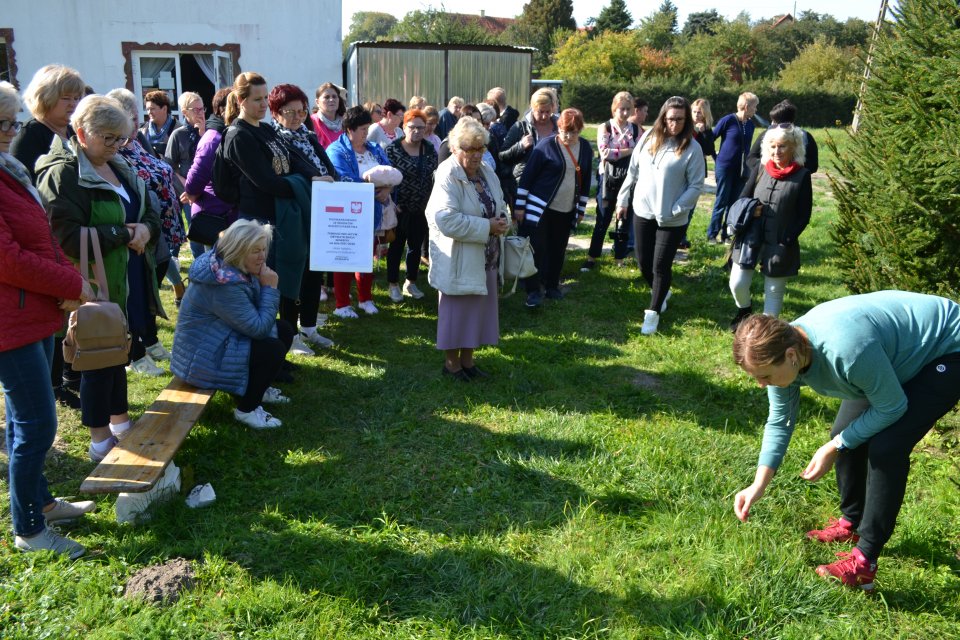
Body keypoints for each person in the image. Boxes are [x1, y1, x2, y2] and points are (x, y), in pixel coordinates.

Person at [732, 292, 960, 591]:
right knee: (845, 433)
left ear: (790, 355)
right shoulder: (786, 354)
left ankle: (865, 563)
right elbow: (780, 420)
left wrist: (836, 446)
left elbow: (892, 407)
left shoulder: (846, 351)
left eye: (764, 376)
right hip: (888, 356)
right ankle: (851, 523)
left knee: (886, 447)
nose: (761, 384)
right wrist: (758, 484)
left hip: (946, 347)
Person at [1, 81, 97, 559]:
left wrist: (69, 276)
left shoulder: (9, 168)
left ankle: (40, 502)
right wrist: (69, 285)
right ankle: (30, 530)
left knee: (25, 422)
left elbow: (40, 237)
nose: (9, 131)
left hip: (32, 311)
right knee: (38, 424)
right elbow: (8, 259)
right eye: (3, 124)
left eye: (12, 122)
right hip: (8, 321)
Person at [39, 95, 163, 463]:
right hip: (92, 282)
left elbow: (149, 210)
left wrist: (145, 229)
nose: (115, 145)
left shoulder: (120, 164)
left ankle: (121, 424)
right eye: (107, 138)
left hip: (126, 276)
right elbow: (63, 238)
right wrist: (123, 234)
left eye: (120, 138)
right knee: (97, 357)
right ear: (80, 132)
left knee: (118, 351)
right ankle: (99, 441)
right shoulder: (63, 174)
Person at [10, 63, 86, 409]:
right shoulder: (30, 136)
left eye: (76, 97)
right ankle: (54, 384)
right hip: (42, 241)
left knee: (69, 315)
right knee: (53, 313)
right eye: (65, 98)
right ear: (45, 98)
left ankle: (67, 377)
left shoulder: (69, 135)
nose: (72, 104)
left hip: (65, 237)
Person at [172, 220, 294, 430]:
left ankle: (259, 388)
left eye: (264, 249)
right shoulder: (223, 283)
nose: (262, 256)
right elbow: (258, 329)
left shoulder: (232, 267)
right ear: (237, 251)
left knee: (283, 330)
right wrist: (270, 289)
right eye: (255, 251)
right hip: (201, 359)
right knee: (272, 349)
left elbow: (252, 316)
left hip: (214, 342)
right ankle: (246, 410)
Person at [106, 88, 184, 375]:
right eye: (131, 114)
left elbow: (158, 169)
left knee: (154, 278)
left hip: (158, 225)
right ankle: (135, 350)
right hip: (140, 229)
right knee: (135, 291)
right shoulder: (113, 150)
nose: (138, 119)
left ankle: (149, 340)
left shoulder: (136, 140)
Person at [425, 117, 509, 381]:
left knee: (477, 311)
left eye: (480, 148)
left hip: (486, 254)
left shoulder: (487, 171)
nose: (475, 155)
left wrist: (503, 218)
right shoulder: (447, 174)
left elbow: (500, 200)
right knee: (457, 313)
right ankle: (451, 365)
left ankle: (468, 362)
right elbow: (445, 219)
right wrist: (487, 227)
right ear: (454, 148)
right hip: (459, 257)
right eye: (469, 149)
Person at [616, 96, 705, 336]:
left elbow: (696, 185)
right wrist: (622, 199)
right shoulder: (647, 138)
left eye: (679, 119)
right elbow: (632, 171)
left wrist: (677, 208)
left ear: (686, 120)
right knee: (644, 262)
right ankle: (663, 291)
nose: (674, 124)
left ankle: (653, 313)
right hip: (643, 211)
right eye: (670, 119)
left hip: (671, 218)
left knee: (660, 265)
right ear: (662, 117)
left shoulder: (691, 148)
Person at [268, 82, 338, 355]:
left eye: (302, 111)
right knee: (291, 274)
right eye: (291, 112)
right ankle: (291, 333)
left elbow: (327, 167)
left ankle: (309, 326)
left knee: (313, 271)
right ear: (276, 113)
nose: (298, 117)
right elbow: (285, 177)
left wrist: (331, 180)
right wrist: (315, 179)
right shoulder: (276, 141)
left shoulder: (308, 136)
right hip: (293, 218)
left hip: (318, 213)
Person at [728, 125, 812, 331]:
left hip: (780, 240)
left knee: (773, 290)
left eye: (782, 146)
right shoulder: (760, 168)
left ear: (794, 147)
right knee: (737, 283)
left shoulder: (802, 175)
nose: (777, 151)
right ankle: (744, 310)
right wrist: (750, 210)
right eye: (773, 146)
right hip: (750, 235)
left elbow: (804, 214)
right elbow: (742, 199)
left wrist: (788, 239)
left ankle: (765, 330)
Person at [515, 108, 593, 308]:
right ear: (558, 128)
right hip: (539, 207)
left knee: (558, 249)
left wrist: (581, 208)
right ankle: (533, 290)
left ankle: (552, 286)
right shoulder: (545, 146)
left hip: (566, 209)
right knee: (537, 248)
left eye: (573, 132)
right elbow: (527, 177)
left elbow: (584, 181)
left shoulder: (585, 148)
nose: (568, 136)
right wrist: (520, 206)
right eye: (565, 131)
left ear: (580, 130)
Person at [326, 106, 391, 318]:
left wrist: (387, 189)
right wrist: (376, 190)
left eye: (367, 128)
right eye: (362, 129)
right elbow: (343, 178)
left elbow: (389, 170)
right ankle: (342, 304)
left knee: (365, 257)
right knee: (345, 258)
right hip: (347, 215)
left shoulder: (374, 148)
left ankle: (365, 299)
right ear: (349, 129)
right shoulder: (337, 151)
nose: (366, 133)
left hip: (372, 212)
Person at [385, 109, 438, 302]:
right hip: (399, 207)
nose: (416, 131)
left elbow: (435, 177)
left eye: (421, 128)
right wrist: (391, 202)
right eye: (412, 127)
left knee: (416, 246)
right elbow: (386, 178)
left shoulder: (429, 149)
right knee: (396, 246)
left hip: (422, 208)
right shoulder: (392, 149)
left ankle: (411, 281)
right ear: (403, 127)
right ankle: (392, 284)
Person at [583, 92, 640, 272]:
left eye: (627, 109)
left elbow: (641, 152)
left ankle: (619, 257)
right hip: (608, 178)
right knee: (603, 217)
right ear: (614, 108)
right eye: (621, 109)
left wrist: (623, 150)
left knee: (623, 218)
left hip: (628, 178)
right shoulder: (605, 127)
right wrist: (629, 150)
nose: (624, 113)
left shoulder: (636, 129)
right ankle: (592, 256)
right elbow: (605, 153)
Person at [183, 88, 237, 257]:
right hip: (216, 213)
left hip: (228, 212)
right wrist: (191, 192)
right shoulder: (214, 137)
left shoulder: (227, 132)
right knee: (217, 267)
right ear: (224, 109)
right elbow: (198, 172)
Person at [707, 92, 758, 244]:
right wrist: (717, 158)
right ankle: (712, 234)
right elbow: (711, 139)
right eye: (755, 107)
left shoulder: (750, 125)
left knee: (735, 202)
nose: (756, 110)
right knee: (721, 201)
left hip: (742, 170)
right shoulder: (728, 120)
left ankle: (727, 234)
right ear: (747, 106)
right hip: (725, 167)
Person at [499, 89, 559, 216]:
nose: (544, 116)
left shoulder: (558, 127)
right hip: (525, 187)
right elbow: (502, 155)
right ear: (532, 108)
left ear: (553, 108)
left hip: (553, 185)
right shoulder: (519, 127)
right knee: (527, 230)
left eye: (548, 112)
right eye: (540, 112)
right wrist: (520, 146)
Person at [746, 100, 819, 174]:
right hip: (770, 176)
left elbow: (813, 165)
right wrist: (770, 167)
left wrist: (788, 170)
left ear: (774, 121)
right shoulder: (806, 136)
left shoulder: (804, 136)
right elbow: (751, 159)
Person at [140, 90, 177, 158]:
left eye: (152, 109)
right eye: (147, 109)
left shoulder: (178, 129)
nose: (149, 112)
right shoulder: (141, 130)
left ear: (164, 109)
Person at [309, 82, 345, 149]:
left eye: (334, 97)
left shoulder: (346, 123)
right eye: (327, 97)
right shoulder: (311, 122)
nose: (331, 100)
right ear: (317, 102)